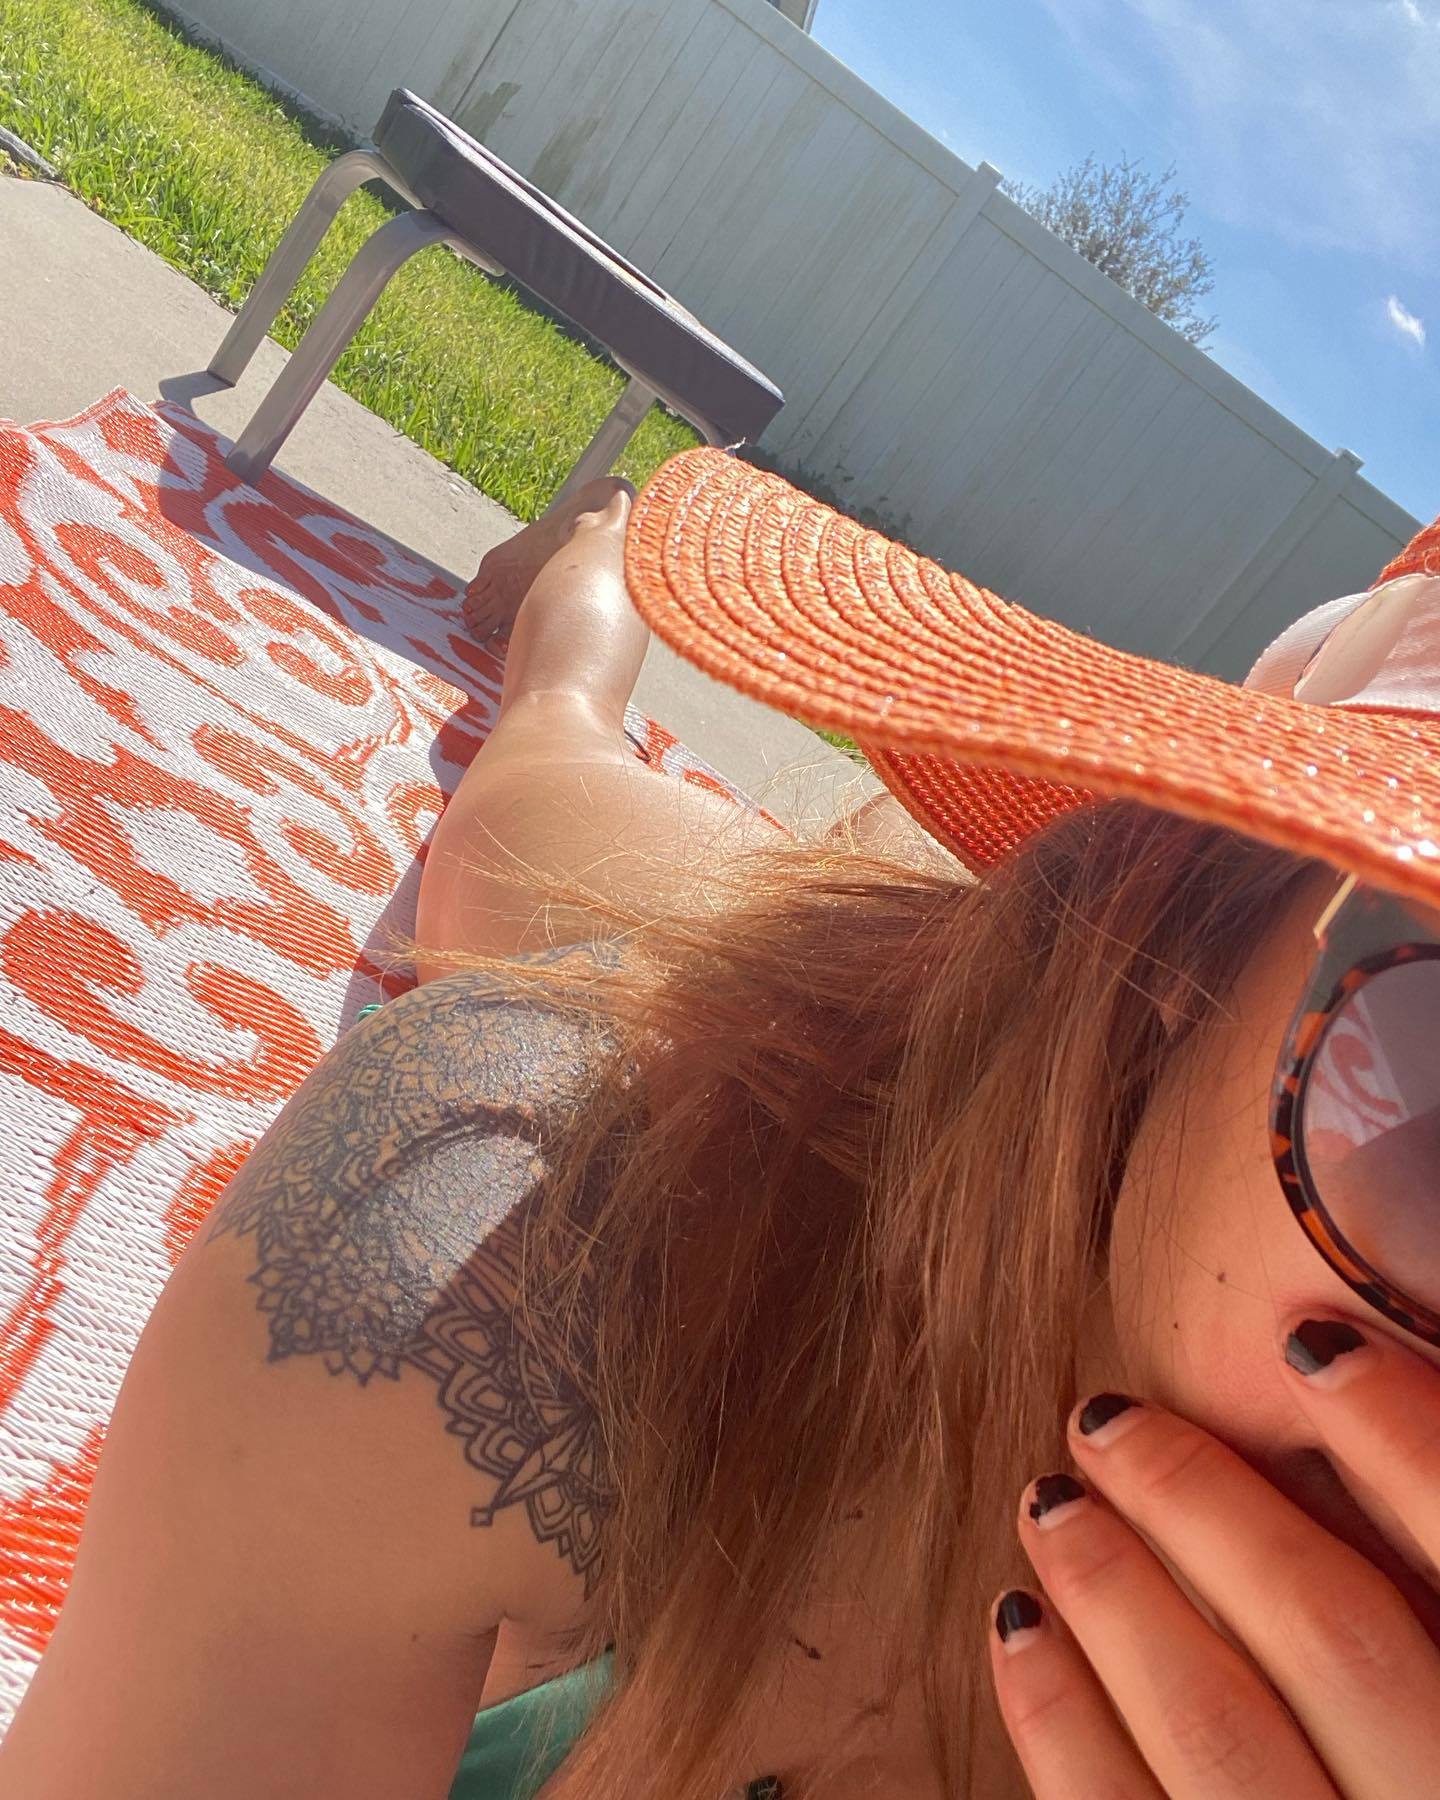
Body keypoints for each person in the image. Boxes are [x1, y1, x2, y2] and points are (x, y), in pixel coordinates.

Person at [4, 452, 1440, 1800]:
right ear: (1179, 932)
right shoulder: (519, 1233)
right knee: (549, 739)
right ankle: (598, 546)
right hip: (799, 1030)